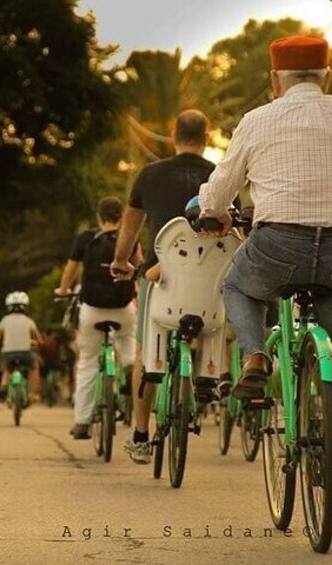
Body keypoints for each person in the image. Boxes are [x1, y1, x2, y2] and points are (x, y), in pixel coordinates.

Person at [197, 36, 332, 499]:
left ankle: (256, 355)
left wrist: (212, 211)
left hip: (279, 244)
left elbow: (220, 192)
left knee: (238, 288)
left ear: (274, 80)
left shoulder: (258, 119)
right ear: (328, 77)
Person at [110, 109, 217, 464]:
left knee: (146, 352)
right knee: (210, 320)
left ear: (174, 134)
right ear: (207, 136)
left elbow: (129, 228)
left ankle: (141, 435)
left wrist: (121, 262)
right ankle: (206, 376)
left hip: (161, 278)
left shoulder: (150, 174)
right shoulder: (219, 175)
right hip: (207, 288)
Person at [56, 197, 140, 439]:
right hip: (123, 307)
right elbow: (139, 267)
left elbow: (70, 272)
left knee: (87, 363)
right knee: (128, 338)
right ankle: (128, 365)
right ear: (121, 217)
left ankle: (82, 422)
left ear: (98, 216)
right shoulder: (130, 237)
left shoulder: (86, 239)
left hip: (92, 309)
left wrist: (62, 291)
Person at [0, 291, 43, 403]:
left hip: (8, 353)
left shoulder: (5, 320)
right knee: (34, 367)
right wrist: (37, 343)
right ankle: (33, 393)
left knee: (7, 370)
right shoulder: (29, 321)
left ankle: (3, 386)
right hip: (25, 353)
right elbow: (40, 339)